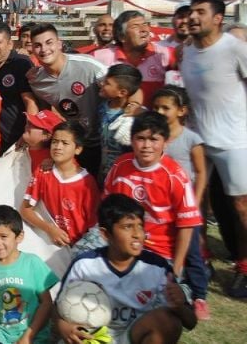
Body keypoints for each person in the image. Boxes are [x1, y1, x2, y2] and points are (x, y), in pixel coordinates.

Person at [56, 194, 197, 344]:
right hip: (93, 338)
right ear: (105, 234)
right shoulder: (84, 265)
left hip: (131, 336)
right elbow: (57, 306)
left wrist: (179, 306)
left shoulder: (157, 268)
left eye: (140, 226)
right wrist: (62, 326)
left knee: (168, 322)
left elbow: (191, 322)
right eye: (128, 227)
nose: (137, 234)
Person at [180, 0, 247, 298]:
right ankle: (201, 261)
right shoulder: (187, 51)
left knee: (241, 207)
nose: (193, 17)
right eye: (191, 12)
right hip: (197, 139)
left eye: (200, 12)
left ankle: (244, 267)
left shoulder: (234, 48)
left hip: (235, 140)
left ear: (218, 18)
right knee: (195, 204)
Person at [104, 112, 203, 277]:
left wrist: (176, 267)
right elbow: (106, 206)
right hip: (119, 242)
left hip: (158, 250)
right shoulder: (120, 165)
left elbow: (186, 226)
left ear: (166, 142)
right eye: (140, 138)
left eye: (153, 139)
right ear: (132, 140)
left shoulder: (176, 176)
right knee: (80, 255)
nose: (146, 146)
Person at [152, 85, 210, 319]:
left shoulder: (191, 138)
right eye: (156, 107)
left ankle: (199, 296)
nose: (160, 111)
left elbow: (201, 173)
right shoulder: (155, 136)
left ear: (182, 110)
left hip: (186, 207)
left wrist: (194, 204)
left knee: (193, 252)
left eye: (166, 107)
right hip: (162, 205)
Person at [27, 23, 107, 178]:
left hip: (106, 144)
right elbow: (46, 115)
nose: (44, 49)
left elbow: (121, 85)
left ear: (59, 44)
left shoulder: (88, 66)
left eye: (49, 43)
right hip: (78, 145)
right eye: (38, 45)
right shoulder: (36, 81)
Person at [0, 205, 59, 344]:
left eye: (3, 236)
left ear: (19, 236)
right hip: (0, 337)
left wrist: (27, 337)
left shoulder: (33, 263)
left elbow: (46, 303)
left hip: (35, 337)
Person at [21, 120, 99, 248]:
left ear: (78, 149)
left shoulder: (87, 183)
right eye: (55, 141)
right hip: (49, 247)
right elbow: (25, 210)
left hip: (77, 248)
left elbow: (93, 226)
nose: (58, 147)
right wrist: (49, 228)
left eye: (65, 143)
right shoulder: (42, 172)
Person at [92, 10, 172, 104]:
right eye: (135, 26)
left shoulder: (165, 53)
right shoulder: (98, 57)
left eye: (145, 24)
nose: (144, 29)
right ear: (122, 37)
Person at [0, 22, 38, 152]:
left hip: (17, 137)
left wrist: (28, 132)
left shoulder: (21, 63)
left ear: (9, 44)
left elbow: (30, 101)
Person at [98, 63, 143, 178]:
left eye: (107, 83)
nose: (102, 84)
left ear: (122, 92)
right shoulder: (102, 106)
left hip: (124, 174)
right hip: (103, 171)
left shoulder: (133, 116)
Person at [21, 109, 64, 175]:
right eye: (29, 121)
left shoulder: (47, 164)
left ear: (47, 136)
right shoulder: (21, 145)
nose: (28, 124)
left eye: (34, 124)